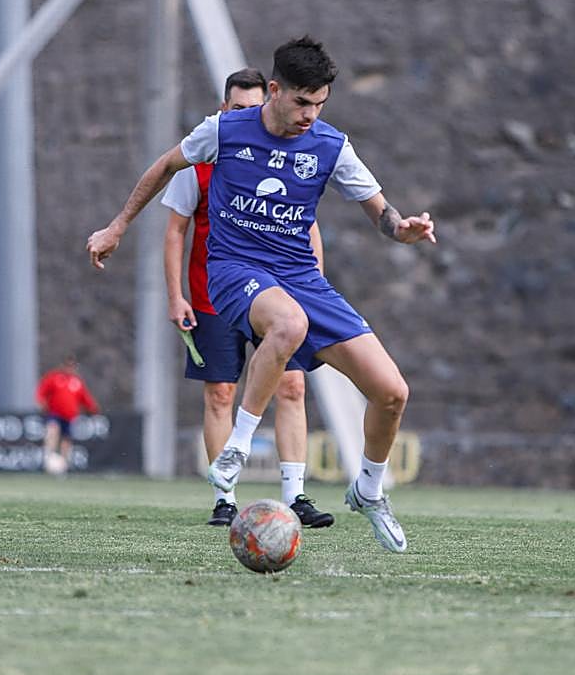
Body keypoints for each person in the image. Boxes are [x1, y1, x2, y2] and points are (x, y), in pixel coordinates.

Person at [88, 35, 435, 553]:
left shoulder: (331, 146)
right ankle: (239, 445)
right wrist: (116, 226)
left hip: (301, 276)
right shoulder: (224, 131)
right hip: (234, 270)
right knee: (287, 326)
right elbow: (164, 168)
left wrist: (401, 228)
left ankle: (367, 490)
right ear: (275, 90)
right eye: (301, 102)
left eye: (319, 104)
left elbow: (380, 211)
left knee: (392, 392)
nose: (309, 115)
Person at [160, 67, 333, 528]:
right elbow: (175, 231)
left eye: (252, 108)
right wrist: (176, 296)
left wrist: (313, 283)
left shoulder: (286, 157)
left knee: (293, 385)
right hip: (214, 296)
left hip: (278, 294)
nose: (246, 115)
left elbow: (307, 223)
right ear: (223, 110)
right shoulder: (199, 159)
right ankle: (225, 497)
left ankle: (295, 494)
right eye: (237, 108)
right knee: (221, 393)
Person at [36, 357, 101, 475]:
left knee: (66, 441)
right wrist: (41, 402)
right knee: (52, 431)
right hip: (54, 413)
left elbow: (85, 398)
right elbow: (42, 391)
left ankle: (63, 467)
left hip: (69, 416)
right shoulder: (54, 378)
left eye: (72, 366)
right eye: (68, 366)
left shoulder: (77, 382)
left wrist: (93, 408)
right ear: (63, 366)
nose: (69, 369)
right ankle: (48, 457)